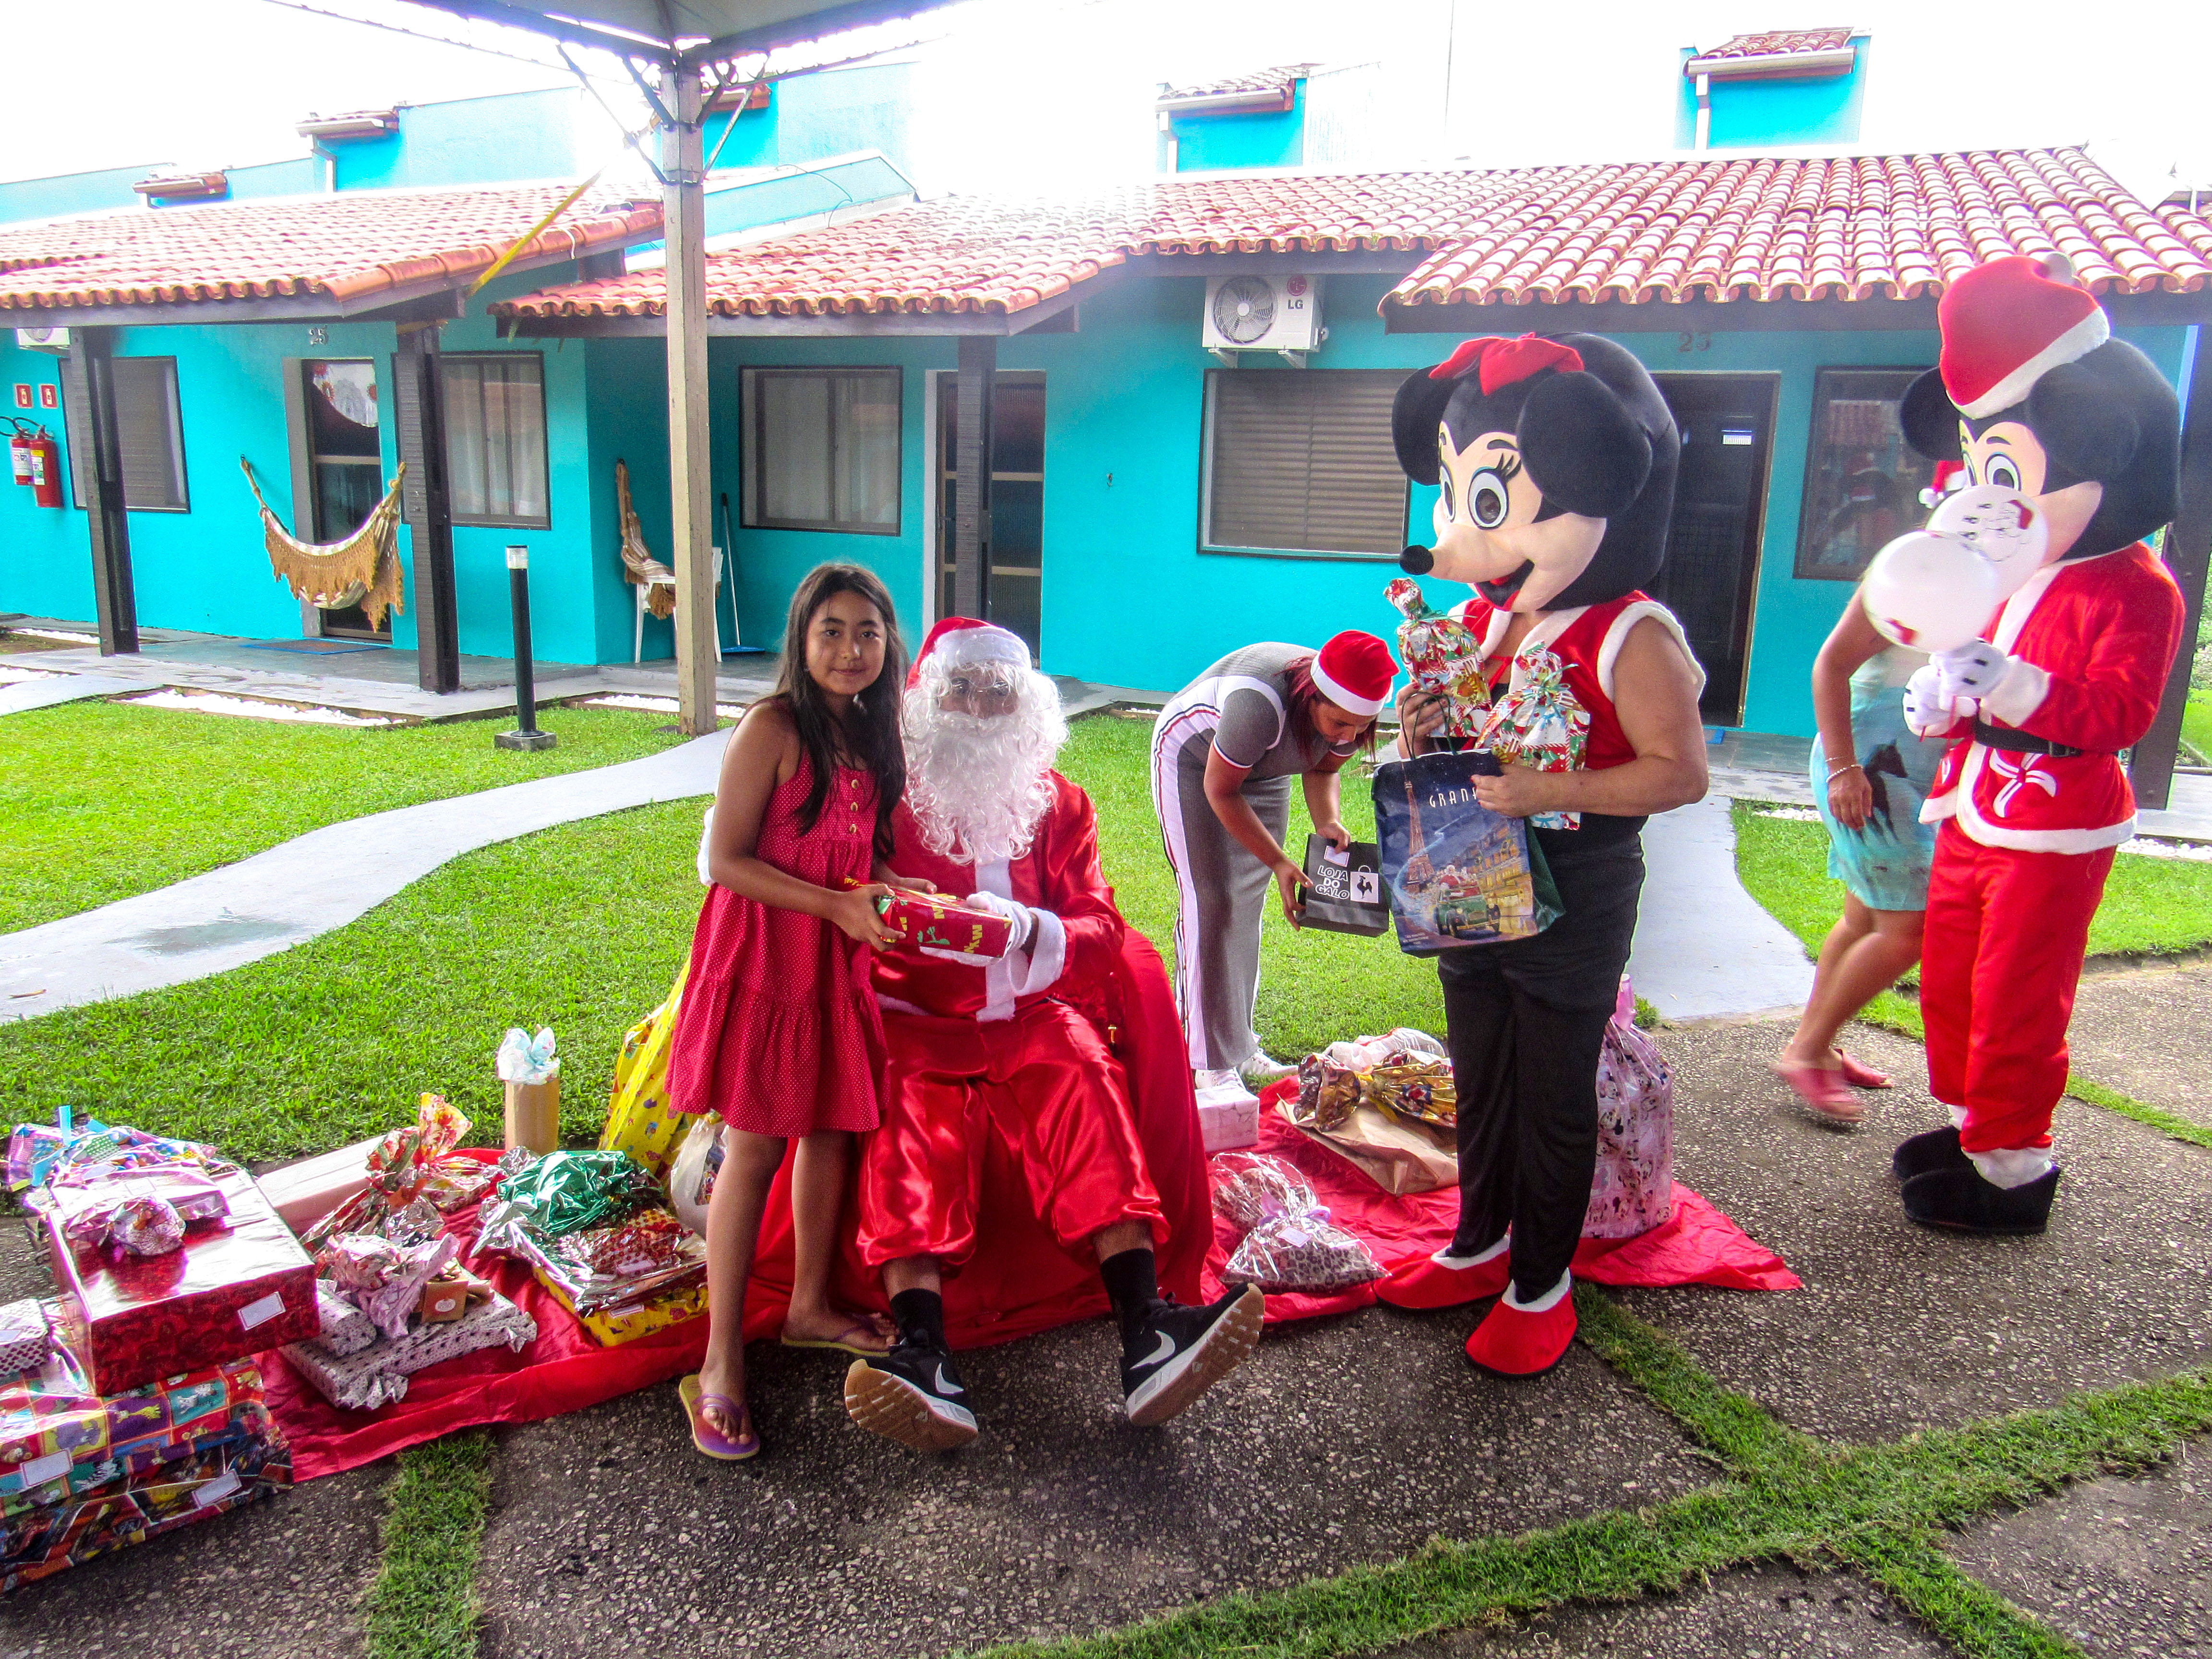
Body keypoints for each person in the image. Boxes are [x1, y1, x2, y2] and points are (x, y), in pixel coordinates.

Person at [1373, 333, 1707, 1377]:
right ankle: (1478, 1242)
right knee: (1481, 1070)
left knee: (1554, 1087)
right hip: (1470, 868)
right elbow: (1469, 729)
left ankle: (1540, 1282)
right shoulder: (1484, 617)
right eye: (1455, 498)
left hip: (1577, 880)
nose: (1454, 536)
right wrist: (1423, 728)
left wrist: (1552, 790)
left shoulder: (1631, 632)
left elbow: (1680, 774)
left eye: (1490, 502)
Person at [845, 618, 1255, 1452]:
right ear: (927, 700)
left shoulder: (1060, 804)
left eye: (998, 692)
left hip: (1031, 1014)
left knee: (1087, 1077)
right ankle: (922, 1355)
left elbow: (1101, 927)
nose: (978, 708)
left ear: (1025, 704)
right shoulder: (883, 802)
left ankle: (1148, 1332)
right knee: (908, 1120)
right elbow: (843, 898)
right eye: (961, 689)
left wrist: (1026, 928)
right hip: (916, 1022)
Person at [1890, 254, 2184, 1234]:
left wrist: (2009, 685)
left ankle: (2014, 1165)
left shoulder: (2135, 586)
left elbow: (2120, 715)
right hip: (1974, 803)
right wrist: (1941, 700)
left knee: (2019, 994)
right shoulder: (2003, 572)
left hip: (2056, 820)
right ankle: (1972, 1127)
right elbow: (1971, 677)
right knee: (1953, 979)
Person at [668, 564, 921, 1461]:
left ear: (888, 644)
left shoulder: (872, 733)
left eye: (867, 632)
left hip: (831, 958)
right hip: (766, 958)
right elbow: (727, 861)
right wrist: (837, 907)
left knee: (831, 1132)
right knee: (758, 1147)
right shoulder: (771, 728)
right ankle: (720, 1358)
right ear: (801, 640)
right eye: (831, 631)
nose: (850, 650)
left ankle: (809, 1307)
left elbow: (854, 852)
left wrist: (893, 888)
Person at [1150, 631, 1399, 1090]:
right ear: (1312, 696)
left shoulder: (1350, 714)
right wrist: (1280, 861)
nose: (1349, 736)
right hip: (1194, 760)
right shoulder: (1258, 705)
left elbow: (1323, 768)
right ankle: (1209, 1063)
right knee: (1212, 902)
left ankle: (1240, 1046)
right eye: (1340, 723)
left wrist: (1328, 821)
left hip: (1266, 767)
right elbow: (1221, 790)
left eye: (1360, 727)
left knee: (1244, 906)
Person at [1768, 596, 1945, 1122]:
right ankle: (1806, 1053)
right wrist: (1845, 769)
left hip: (1904, 771)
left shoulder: (2001, 574)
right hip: (1870, 771)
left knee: (1864, 918)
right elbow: (1831, 665)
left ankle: (1815, 1047)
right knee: (1910, 928)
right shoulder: (1909, 573)